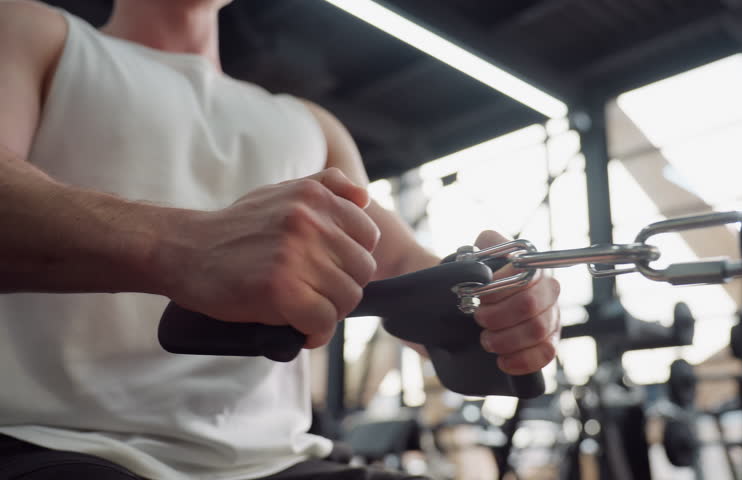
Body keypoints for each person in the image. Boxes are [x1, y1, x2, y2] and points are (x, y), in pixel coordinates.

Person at [0, 0, 562, 478]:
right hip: (56, 444)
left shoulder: (311, 125)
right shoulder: (34, 31)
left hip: (284, 461)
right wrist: (180, 245)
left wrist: (497, 303)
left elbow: (410, 273)